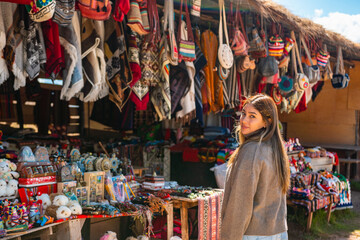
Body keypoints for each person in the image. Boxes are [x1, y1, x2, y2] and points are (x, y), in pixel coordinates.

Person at [221, 94, 290, 240]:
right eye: (244, 114)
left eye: (252, 116)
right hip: (277, 232)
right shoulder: (275, 149)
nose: (244, 120)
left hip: (253, 234)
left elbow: (239, 204)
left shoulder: (252, 150)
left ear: (266, 122)